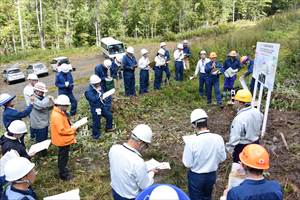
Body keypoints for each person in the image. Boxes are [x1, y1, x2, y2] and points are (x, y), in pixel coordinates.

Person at [182, 109, 226, 200]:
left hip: (196, 176)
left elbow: (187, 163)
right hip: (211, 175)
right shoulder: (218, 138)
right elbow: (222, 158)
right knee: (207, 197)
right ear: (206, 121)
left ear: (194, 125)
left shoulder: (191, 142)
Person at [109, 124, 157, 200]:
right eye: (146, 146)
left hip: (116, 190)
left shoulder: (114, 148)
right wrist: (152, 172)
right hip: (129, 197)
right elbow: (145, 185)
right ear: (140, 143)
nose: (145, 149)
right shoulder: (137, 162)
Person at [226, 89, 263, 163]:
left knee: (240, 169)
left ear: (240, 102)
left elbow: (234, 138)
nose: (234, 102)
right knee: (253, 165)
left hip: (242, 147)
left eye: (235, 100)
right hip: (255, 143)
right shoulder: (257, 112)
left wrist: (229, 150)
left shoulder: (239, 119)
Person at [50, 95, 77, 181]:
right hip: (62, 140)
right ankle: (63, 174)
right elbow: (61, 130)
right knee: (62, 157)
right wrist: (72, 130)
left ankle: (63, 169)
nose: (67, 107)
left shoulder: (60, 112)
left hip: (63, 140)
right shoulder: (57, 116)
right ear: (60, 105)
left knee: (63, 156)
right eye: (66, 106)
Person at [84, 75, 114, 140]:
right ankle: (96, 136)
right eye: (97, 83)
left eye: (99, 83)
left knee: (109, 115)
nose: (99, 84)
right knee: (96, 122)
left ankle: (108, 128)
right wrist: (99, 94)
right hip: (95, 108)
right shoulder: (88, 91)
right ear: (93, 84)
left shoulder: (98, 87)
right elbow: (93, 99)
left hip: (101, 106)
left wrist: (104, 96)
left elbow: (102, 94)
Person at [30, 82, 54, 156]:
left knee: (44, 140)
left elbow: (45, 108)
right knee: (40, 142)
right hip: (39, 124)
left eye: (43, 91)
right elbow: (42, 105)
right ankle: (40, 155)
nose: (42, 92)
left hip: (43, 123)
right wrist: (48, 98)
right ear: (36, 90)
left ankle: (44, 153)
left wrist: (53, 106)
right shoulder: (32, 98)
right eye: (41, 91)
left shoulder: (40, 98)